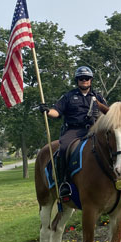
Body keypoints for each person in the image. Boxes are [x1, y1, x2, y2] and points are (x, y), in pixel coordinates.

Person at [39, 66, 107, 201]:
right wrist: (47, 111)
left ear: (91, 80)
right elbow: (57, 112)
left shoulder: (98, 97)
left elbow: (108, 112)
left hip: (94, 129)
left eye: (87, 78)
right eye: (81, 78)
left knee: (112, 144)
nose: (84, 81)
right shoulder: (69, 96)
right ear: (77, 80)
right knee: (63, 148)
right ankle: (64, 182)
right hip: (74, 130)